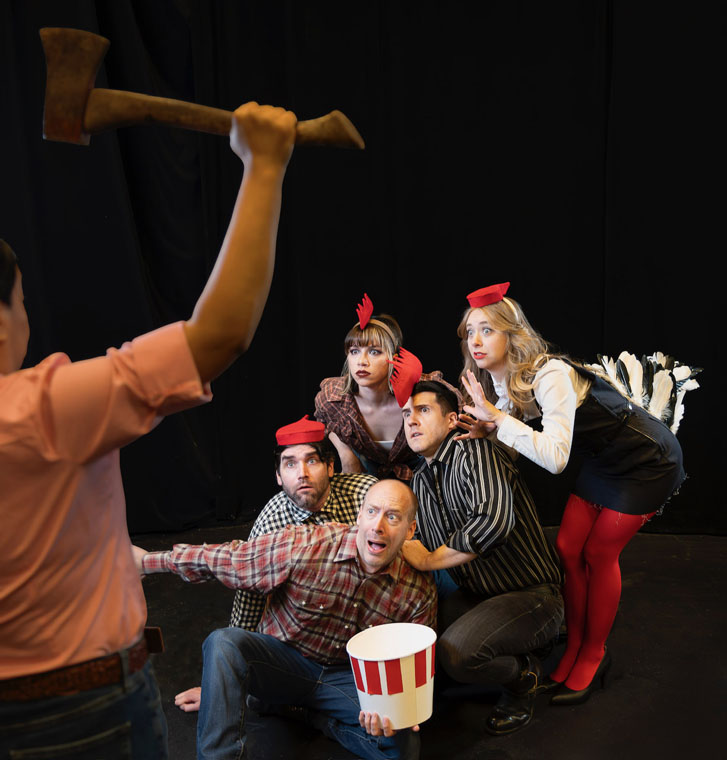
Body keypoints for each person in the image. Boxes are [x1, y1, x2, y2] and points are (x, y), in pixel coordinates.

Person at [0, 103, 296, 759]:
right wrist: (265, 165)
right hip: (78, 713)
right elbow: (219, 334)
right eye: (20, 298)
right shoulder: (39, 409)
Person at [457, 281, 685, 704]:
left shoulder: (550, 374)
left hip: (646, 461)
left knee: (599, 553)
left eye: (487, 329)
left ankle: (594, 654)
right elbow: (519, 437)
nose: (476, 341)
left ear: (512, 334)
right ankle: (575, 641)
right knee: (567, 545)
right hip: (603, 460)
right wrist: (488, 428)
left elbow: (556, 458)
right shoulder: (503, 379)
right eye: (470, 331)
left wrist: (498, 421)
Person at [134, 479, 436, 760]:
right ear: (359, 517)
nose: (379, 526)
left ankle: (313, 717)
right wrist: (149, 562)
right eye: (372, 512)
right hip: (284, 664)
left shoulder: (418, 592)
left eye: (393, 517)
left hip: (346, 683)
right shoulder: (308, 544)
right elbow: (229, 559)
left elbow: (410, 675)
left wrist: (395, 712)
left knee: (403, 748)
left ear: (410, 531)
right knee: (224, 642)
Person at [174, 414, 377, 713]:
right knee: (254, 687)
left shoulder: (365, 495)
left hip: (358, 641)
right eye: (290, 463)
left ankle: (314, 711)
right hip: (299, 643)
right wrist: (221, 683)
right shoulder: (272, 519)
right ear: (279, 476)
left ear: (331, 467)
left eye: (312, 460)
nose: (302, 473)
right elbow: (250, 596)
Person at [400, 378, 563, 736]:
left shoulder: (474, 451)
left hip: (532, 594)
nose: (411, 420)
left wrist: (427, 560)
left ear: (451, 420)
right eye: (406, 414)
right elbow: (418, 541)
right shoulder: (420, 481)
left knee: (457, 652)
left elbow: (495, 523)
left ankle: (525, 676)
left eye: (423, 410)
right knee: (422, 639)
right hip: (479, 595)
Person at [315, 293, 458, 481]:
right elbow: (324, 424)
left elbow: (457, 410)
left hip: (423, 478)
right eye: (354, 351)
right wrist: (346, 453)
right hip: (366, 483)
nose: (362, 361)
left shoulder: (424, 389)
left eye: (374, 352)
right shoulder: (333, 398)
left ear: (394, 357)